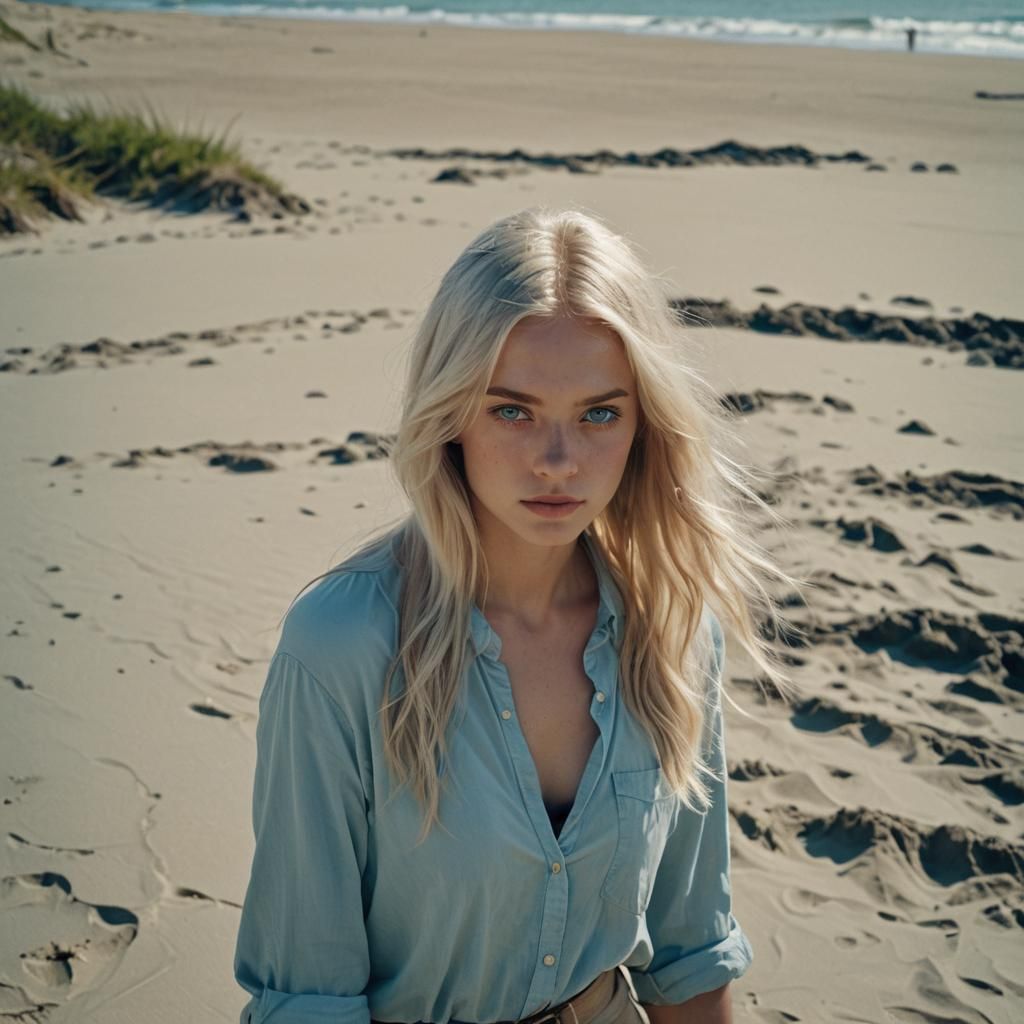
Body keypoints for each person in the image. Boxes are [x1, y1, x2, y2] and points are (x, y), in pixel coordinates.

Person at [233, 206, 806, 1024]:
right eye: (512, 410)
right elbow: (308, 998)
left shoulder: (676, 632)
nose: (558, 461)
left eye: (599, 414)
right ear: (451, 413)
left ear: (644, 424)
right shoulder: (340, 647)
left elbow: (688, 954)